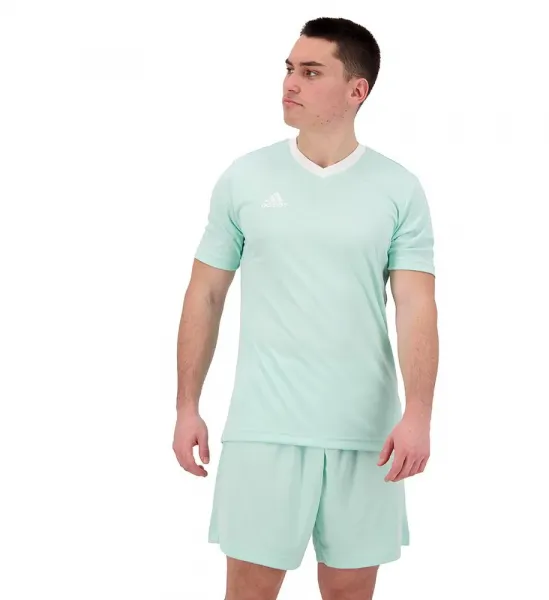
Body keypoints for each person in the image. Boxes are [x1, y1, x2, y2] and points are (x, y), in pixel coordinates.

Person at [173, 16, 439, 600]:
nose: (290, 82)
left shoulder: (398, 188)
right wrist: (186, 406)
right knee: (248, 593)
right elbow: (205, 294)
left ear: (356, 90)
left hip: (366, 436)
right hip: (263, 429)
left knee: (349, 593)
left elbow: (416, 305)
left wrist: (419, 414)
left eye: (311, 72)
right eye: (290, 68)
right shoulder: (245, 178)